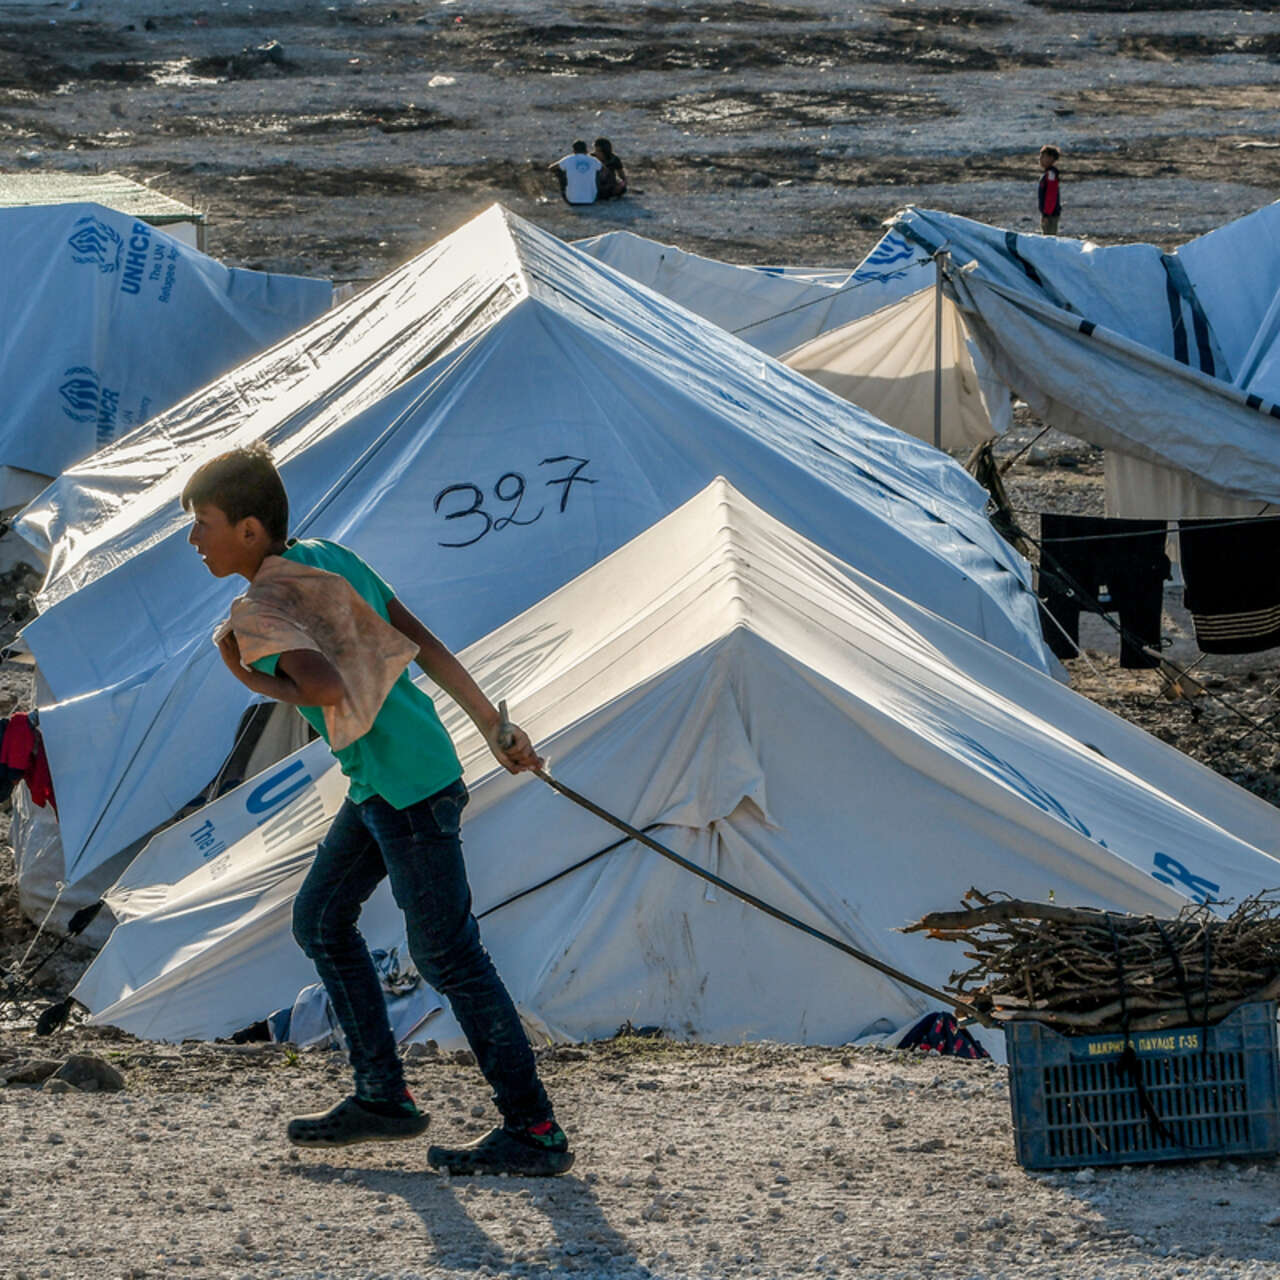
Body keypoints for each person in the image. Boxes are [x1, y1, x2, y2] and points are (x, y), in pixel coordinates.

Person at [183, 443, 573, 1177]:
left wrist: (248, 677)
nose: (193, 541)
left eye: (202, 523)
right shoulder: (330, 555)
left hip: (406, 791)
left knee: (448, 955)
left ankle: (535, 1128)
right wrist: (495, 727)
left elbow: (325, 690)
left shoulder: (261, 608)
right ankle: (382, 1093)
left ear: (248, 531)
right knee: (322, 919)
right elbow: (418, 640)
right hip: (399, 774)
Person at [549, 139, 601, 205]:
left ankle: (566, 191)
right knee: (598, 171)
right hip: (591, 200)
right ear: (586, 149)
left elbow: (551, 168)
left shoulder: (568, 159)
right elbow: (604, 170)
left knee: (560, 171)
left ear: (574, 150)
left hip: (571, 200)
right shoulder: (593, 160)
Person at [1038, 144, 1062, 235]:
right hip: (1048, 213)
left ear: (1051, 158)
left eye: (1043, 156)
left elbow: (1050, 196)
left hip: (1050, 215)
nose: (1040, 159)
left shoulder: (1051, 175)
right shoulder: (1048, 174)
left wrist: (1046, 215)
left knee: (1049, 238)